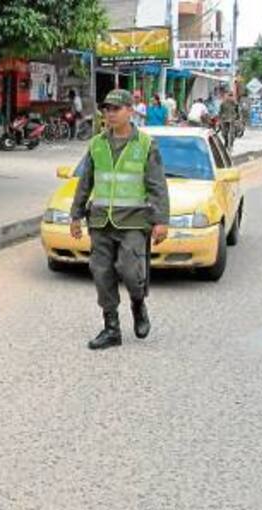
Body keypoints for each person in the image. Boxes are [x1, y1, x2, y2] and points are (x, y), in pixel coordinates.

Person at [68, 89, 169, 350]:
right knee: (101, 273)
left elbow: (157, 184)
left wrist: (161, 220)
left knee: (131, 271)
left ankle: (138, 304)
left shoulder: (146, 144)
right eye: (107, 109)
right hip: (101, 221)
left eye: (116, 109)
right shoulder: (97, 144)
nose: (110, 114)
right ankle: (111, 328)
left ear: (130, 111)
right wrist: (76, 215)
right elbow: (85, 182)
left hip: (134, 222)